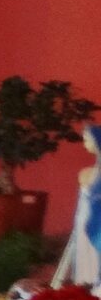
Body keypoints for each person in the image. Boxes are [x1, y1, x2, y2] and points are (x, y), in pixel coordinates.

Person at [57, 120, 101, 287]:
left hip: (98, 226)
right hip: (84, 222)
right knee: (84, 263)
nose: (85, 144)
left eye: (87, 140)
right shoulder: (85, 173)